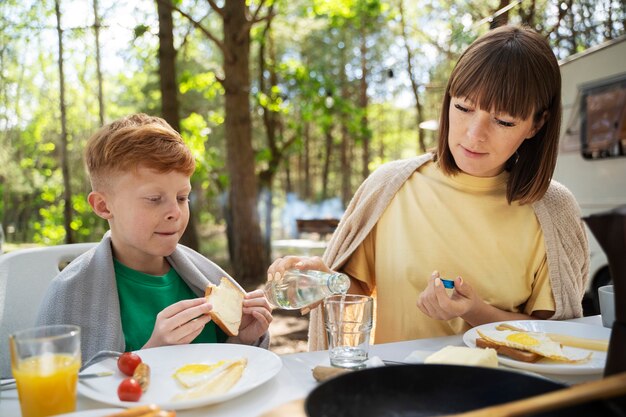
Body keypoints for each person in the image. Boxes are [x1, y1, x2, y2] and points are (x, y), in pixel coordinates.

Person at [267, 25, 589, 351]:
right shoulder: (389, 187)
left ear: (537, 124)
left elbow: (555, 338)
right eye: (463, 108)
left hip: (503, 393)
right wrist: (324, 279)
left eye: (503, 121)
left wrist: (476, 311)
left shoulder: (552, 210)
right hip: (396, 390)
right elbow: (357, 291)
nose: (474, 135)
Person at [37, 113, 272, 363]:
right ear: (104, 206)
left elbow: (225, 368)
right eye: (154, 199)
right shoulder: (71, 294)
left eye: (182, 198)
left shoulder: (206, 276)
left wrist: (243, 340)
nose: (175, 212)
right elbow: (59, 391)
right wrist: (151, 353)